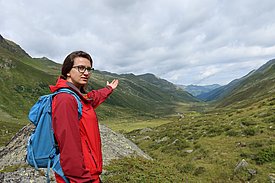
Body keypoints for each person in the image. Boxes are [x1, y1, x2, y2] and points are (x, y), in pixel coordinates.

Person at [49, 51, 119, 183]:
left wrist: (108, 89)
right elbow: (68, 146)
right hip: (80, 178)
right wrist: (82, 179)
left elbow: (92, 98)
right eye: (81, 68)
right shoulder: (65, 99)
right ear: (68, 71)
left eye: (89, 69)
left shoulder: (78, 97)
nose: (86, 73)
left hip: (90, 174)